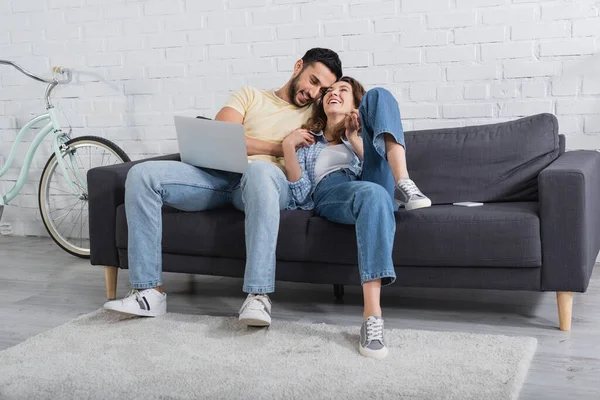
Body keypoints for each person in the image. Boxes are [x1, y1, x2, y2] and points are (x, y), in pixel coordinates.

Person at [103, 48, 342, 327]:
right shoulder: (250, 95)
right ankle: (148, 292)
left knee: (259, 170)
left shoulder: (316, 115)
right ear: (298, 66)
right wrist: (279, 146)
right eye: (313, 81)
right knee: (142, 175)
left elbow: (344, 117)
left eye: (323, 89)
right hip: (219, 177)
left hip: (267, 182)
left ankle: (258, 295)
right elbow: (222, 134)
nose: (315, 93)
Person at [281, 77, 431, 359]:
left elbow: (372, 174)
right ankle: (372, 317)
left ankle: (404, 181)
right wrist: (289, 147)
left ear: (354, 105)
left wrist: (353, 139)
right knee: (373, 196)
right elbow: (299, 195)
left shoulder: (362, 138)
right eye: (329, 91)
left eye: (343, 91)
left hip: (374, 180)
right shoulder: (309, 142)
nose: (333, 93)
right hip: (334, 191)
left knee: (381, 94)